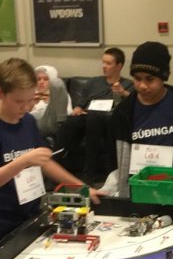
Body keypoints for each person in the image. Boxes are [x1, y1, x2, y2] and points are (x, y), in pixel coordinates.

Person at [0, 58, 100, 250]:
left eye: (31, 100)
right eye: (18, 101)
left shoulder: (27, 121)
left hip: (31, 216)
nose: (26, 107)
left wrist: (83, 188)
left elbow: (45, 162)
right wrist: (23, 161)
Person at [109, 41, 173, 197]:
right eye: (137, 79)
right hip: (138, 189)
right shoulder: (123, 112)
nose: (142, 86)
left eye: (149, 79)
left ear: (163, 77)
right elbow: (113, 154)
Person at [54, 48, 133, 181]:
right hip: (87, 117)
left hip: (108, 121)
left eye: (108, 63)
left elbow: (134, 103)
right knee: (71, 122)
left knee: (94, 118)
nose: (104, 66)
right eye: (103, 62)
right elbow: (81, 101)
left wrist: (123, 92)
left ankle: (88, 172)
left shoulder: (127, 85)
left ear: (119, 66)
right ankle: (55, 163)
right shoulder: (94, 82)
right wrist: (78, 108)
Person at [31, 64, 71, 141]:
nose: (41, 82)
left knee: (57, 83)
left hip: (55, 122)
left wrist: (51, 103)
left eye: (46, 79)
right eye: (38, 79)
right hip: (34, 122)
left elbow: (68, 112)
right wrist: (31, 104)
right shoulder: (30, 93)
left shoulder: (60, 94)